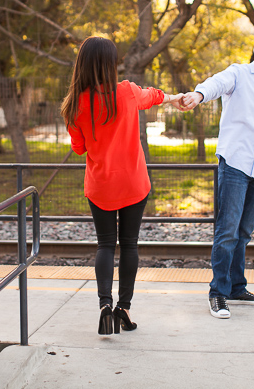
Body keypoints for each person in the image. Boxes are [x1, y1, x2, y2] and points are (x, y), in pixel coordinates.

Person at [61, 36, 184, 334]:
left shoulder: (74, 105)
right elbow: (152, 95)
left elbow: (79, 148)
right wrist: (174, 98)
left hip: (101, 185)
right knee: (129, 245)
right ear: (111, 64)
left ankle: (105, 305)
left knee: (105, 244)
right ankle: (123, 310)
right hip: (133, 183)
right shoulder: (127, 92)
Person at [179, 29, 254, 319]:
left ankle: (236, 287)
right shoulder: (239, 74)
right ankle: (218, 292)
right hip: (234, 164)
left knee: (243, 233)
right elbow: (217, 83)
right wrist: (199, 94)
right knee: (227, 231)